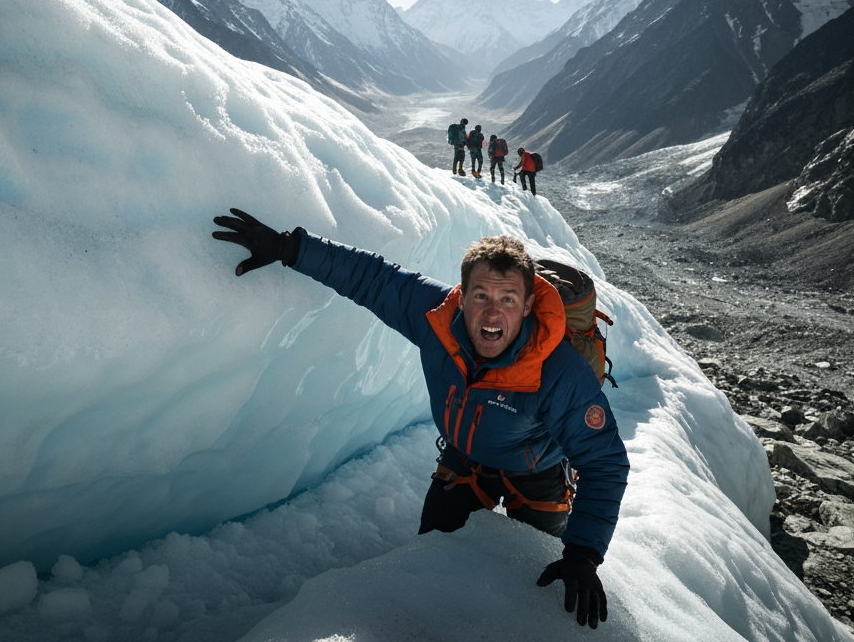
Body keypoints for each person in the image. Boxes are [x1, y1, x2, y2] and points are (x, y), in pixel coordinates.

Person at [211, 208, 627, 630]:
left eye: (507, 299)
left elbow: (604, 461)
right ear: (461, 297)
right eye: (481, 295)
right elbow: (372, 279)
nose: (492, 313)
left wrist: (583, 553)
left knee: (534, 585)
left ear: (528, 306)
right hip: (465, 461)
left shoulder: (558, 373)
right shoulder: (436, 317)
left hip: (537, 471)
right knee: (433, 562)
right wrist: (289, 247)